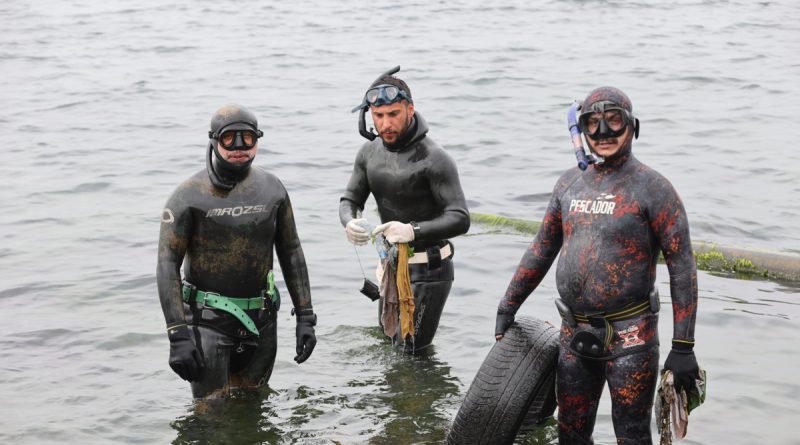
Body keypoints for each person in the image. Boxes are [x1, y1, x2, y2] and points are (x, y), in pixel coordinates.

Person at [494, 87, 700, 444]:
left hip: (632, 338)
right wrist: (508, 304)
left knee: (632, 436)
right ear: (582, 131)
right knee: (570, 434)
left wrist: (683, 346)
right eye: (593, 123)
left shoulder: (653, 188)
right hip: (574, 334)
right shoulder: (569, 184)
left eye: (614, 121)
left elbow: (682, 266)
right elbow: (542, 248)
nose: (603, 133)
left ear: (633, 127)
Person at [157, 104, 317, 399]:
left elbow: (292, 251)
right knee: (211, 417)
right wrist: (177, 333)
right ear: (214, 140)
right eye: (230, 138)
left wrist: (305, 316)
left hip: (262, 322)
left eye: (249, 138)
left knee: (254, 408)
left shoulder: (273, 190)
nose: (240, 147)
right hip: (208, 324)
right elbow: (167, 264)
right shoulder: (188, 195)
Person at [340, 67, 470, 352]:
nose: (385, 124)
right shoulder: (368, 154)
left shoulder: (435, 159)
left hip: (430, 269)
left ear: (410, 109)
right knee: (390, 348)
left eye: (393, 114)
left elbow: (460, 219)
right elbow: (349, 200)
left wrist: (413, 230)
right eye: (378, 116)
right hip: (391, 267)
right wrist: (349, 222)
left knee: (411, 356)